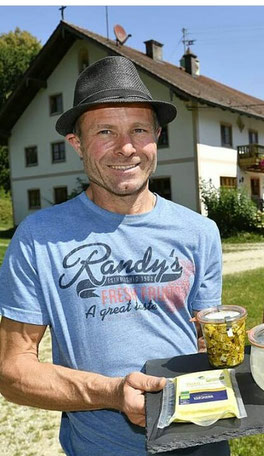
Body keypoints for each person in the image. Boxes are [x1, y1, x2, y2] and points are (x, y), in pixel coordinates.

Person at [0, 56, 229, 456]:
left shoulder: (200, 231)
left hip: (200, 439)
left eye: (139, 130)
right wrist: (112, 393)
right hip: (100, 447)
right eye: (105, 131)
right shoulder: (38, 238)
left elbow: (204, 338)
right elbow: (13, 371)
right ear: (76, 143)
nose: (126, 148)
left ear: (156, 136)